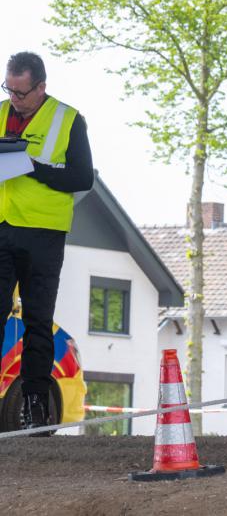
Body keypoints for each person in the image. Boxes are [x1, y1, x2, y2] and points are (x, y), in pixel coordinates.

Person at [0, 52, 94, 433]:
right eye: (8, 89)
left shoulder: (68, 119)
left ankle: (35, 407)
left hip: (43, 234)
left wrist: (33, 167)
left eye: (21, 92)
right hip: (2, 228)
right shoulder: (1, 111)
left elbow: (82, 177)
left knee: (38, 322)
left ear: (41, 87)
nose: (14, 99)